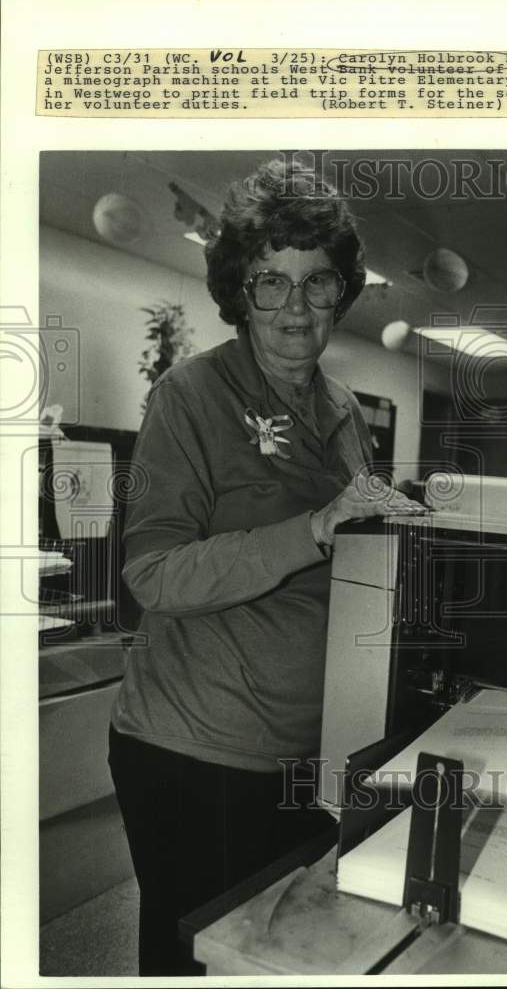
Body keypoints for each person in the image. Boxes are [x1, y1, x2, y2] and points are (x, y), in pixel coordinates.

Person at [108, 158, 425, 975]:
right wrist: (313, 526)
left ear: (341, 291)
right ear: (238, 293)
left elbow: (347, 560)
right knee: (206, 959)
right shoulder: (190, 396)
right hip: (193, 754)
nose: (294, 307)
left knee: (282, 957)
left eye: (316, 282)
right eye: (269, 282)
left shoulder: (346, 411)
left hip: (306, 755)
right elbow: (154, 574)